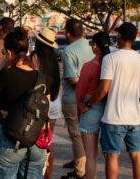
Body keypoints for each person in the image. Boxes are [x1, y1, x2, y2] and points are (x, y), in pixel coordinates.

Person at [0, 27, 48, 177]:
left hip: (9, 140)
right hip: (34, 141)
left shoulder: (6, 75)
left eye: (4, 53)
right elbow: (45, 107)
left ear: (9, 53)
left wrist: (0, 65)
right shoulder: (40, 77)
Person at [84, 22, 140, 179]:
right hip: (135, 117)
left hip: (114, 118)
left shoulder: (111, 59)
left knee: (112, 157)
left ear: (120, 36)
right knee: (137, 155)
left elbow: (104, 89)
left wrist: (89, 103)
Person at [60, 18, 93, 178]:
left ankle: (81, 172)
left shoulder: (69, 51)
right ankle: (79, 163)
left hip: (73, 99)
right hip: (90, 99)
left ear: (67, 33)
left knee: (76, 135)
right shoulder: (91, 47)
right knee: (86, 134)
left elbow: (72, 79)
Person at [75, 31, 110, 179]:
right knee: (111, 156)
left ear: (95, 46)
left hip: (90, 110)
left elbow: (79, 93)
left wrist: (81, 108)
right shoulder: (111, 64)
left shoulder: (90, 66)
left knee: (91, 156)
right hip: (108, 110)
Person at [31, 27, 62, 179]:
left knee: (35, 139)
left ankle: (36, 172)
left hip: (40, 102)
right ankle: (47, 175)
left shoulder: (35, 58)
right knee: (48, 140)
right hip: (54, 102)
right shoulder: (54, 60)